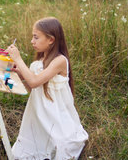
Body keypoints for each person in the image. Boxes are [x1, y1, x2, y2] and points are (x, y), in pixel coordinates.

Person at [6, 17, 88, 159]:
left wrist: (18, 59)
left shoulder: (60, 61)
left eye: (36, 37)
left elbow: (35, 82)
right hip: (39, 114)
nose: (32, 41)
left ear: (51, 40)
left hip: (55, 114)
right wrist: (20, 74)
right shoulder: (38, 62)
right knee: (31, 148)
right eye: (33, 37)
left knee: (61, 144)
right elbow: (33, 88)